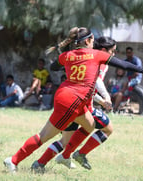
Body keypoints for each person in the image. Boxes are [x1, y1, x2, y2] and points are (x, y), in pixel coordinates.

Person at [3, 27, 143, 173]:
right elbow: (124, 65)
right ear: (89, 40)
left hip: (71, 97)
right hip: (72, 101)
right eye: (93, 40)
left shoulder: (67, 56)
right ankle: (14, 161)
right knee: (44, 136)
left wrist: (70, 64)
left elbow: (54, 67)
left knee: (90, 124)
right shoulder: (97, 55)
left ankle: (64, 156)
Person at [31, 36, 116, 173]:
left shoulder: (88, 57)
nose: (114, 55)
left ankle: (40, 163)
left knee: (65, 140)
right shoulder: (97, 62)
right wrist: (104, 100)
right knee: (108, 128)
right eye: (113, 51)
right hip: (81, 107)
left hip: (70, 103)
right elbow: (90, 88)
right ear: (104, 50)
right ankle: (77, 154)